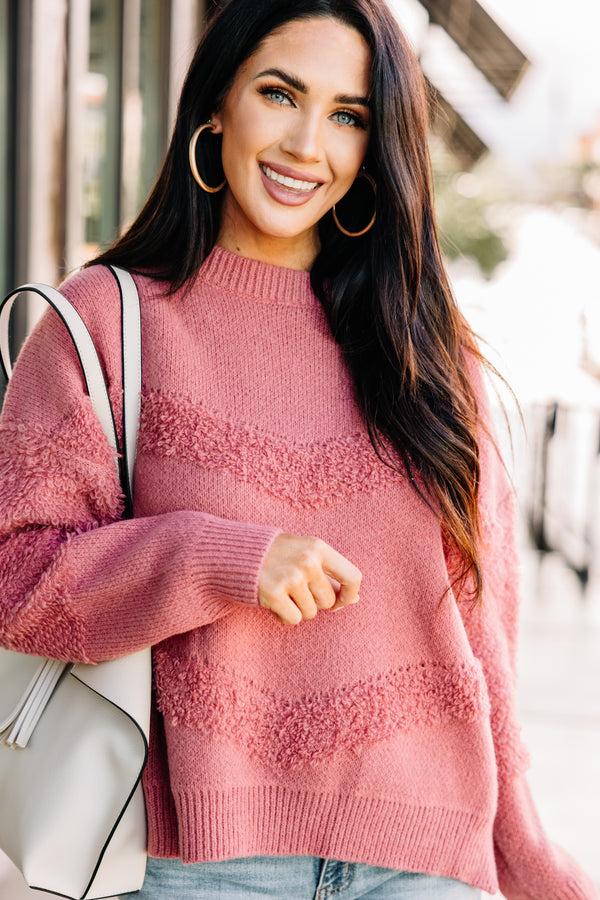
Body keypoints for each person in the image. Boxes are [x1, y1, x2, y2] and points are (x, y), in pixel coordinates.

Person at [0, 0, 597, 898]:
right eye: (280, 94)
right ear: (216, 107)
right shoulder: (108, 321)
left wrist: (528, 857)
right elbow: (17, 581)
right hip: (198, 866)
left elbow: (482, 635)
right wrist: (220, 557)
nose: (307, 144)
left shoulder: (426, 347)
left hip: (427, 864)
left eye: (348, 115)